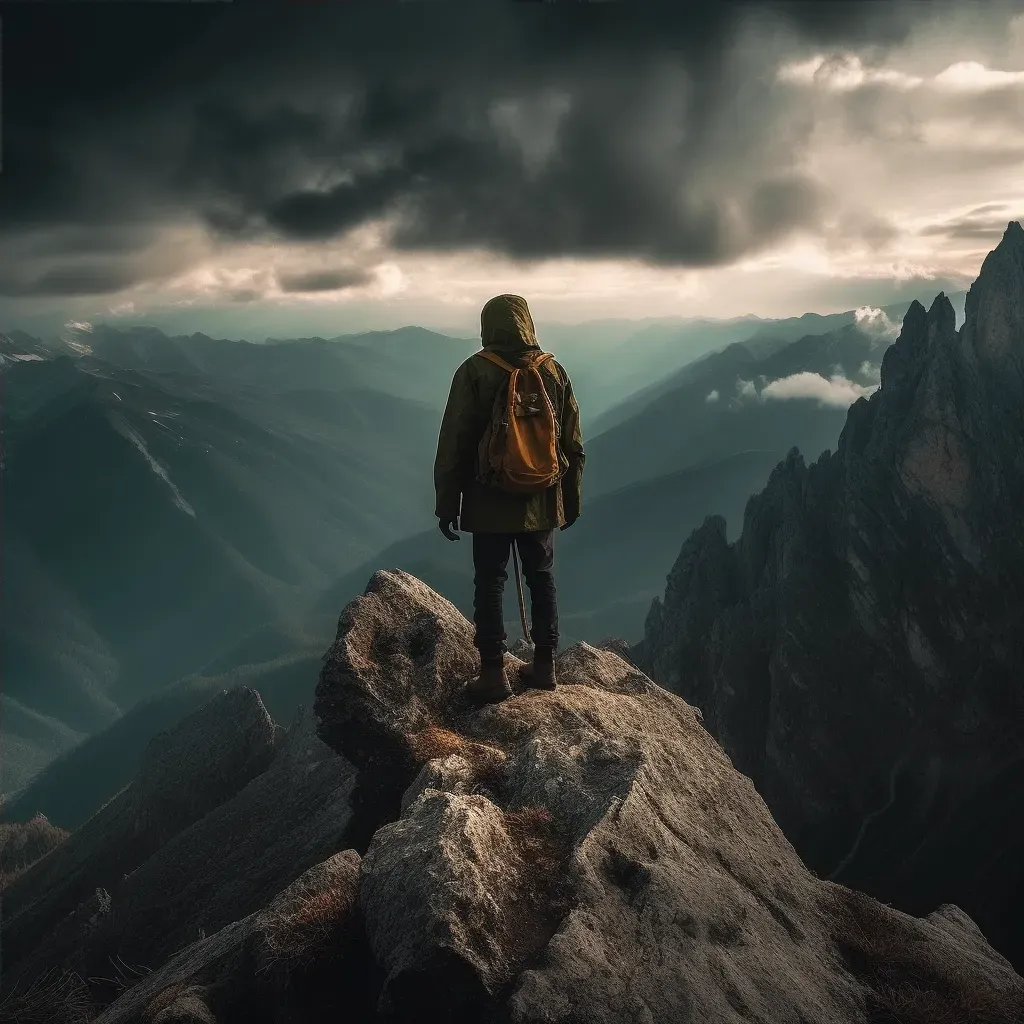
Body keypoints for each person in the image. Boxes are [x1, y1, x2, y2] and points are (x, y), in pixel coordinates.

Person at [434, 293, 585, 704]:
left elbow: (454, 443)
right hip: (542, 497)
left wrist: (448, 504)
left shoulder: (474, 372)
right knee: (542, 577)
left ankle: (493, 672)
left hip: (489, 499)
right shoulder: (554, 371)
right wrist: (569, 501)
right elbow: (572, 442)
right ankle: (545, 664)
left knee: (491, 582)